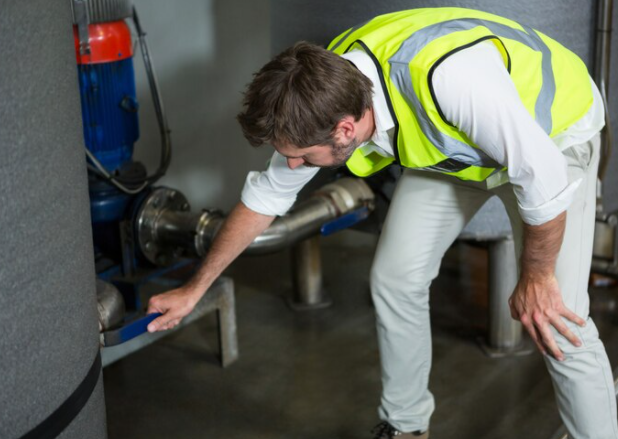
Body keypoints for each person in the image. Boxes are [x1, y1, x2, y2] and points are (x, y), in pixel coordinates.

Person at [146, 7, 618, 439]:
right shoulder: (319, 99)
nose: (292, 166)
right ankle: (406, 426)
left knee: (558, 320)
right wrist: (195, 287)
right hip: (465, 152)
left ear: (345, 131)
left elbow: (544, 181)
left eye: (300, 158)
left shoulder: (449, 81)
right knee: (396, 275)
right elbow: (264, 198)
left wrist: (536, 277)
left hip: (555, 138)